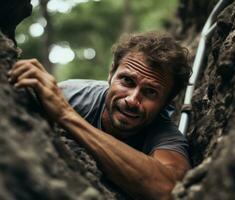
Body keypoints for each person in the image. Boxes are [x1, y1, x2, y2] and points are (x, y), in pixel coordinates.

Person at [8, 32, 191, 200]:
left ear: (166, 103)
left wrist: (66, 115)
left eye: (150, 92)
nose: (132, 100)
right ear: (111, 74)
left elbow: (169, 188)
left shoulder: (165, 135)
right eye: (127, 81)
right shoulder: (71, 95)